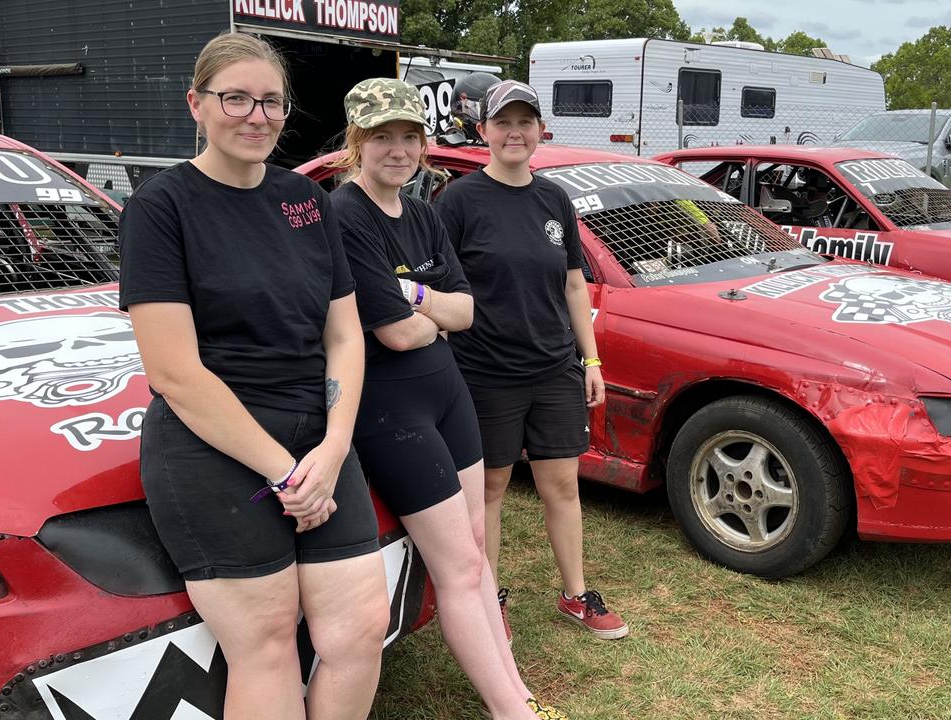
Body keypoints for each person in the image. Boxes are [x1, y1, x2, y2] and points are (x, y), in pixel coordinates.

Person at [118, 33, 390, 720]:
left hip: (316, 445)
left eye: (270, 100)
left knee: (358, 631)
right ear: (197, 105)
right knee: (266, 644)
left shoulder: (304, 200)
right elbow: (175, 372)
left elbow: (344, 334)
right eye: (235, 97)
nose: (256, 115)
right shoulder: (162, 207)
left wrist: (330, 449)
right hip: (214, 450)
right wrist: (288, 473)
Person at [329, 77, 566, 720]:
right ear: (357, 143)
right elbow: (398, 334)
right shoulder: (347, 214)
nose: (398, 150)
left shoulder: (423, 209)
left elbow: (466, 311)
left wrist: (416, 296)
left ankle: (516, 689)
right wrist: (429, 303)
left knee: (477, 548)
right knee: (459, 563)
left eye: (410, 135)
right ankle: (507, 709)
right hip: (391, 405)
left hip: (446, 391)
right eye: (382, 137)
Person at [435, 80, 629, 641]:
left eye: (526, 122)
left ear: (540, 131)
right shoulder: (458, 202)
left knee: (562, 485)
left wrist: (590, 362)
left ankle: (575, 595)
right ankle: (487, 599)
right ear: (484, 132)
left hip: (554, 370)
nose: (515, 132)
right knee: (491, 488)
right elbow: (442, 288)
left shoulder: (554, 199)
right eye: (503, 122)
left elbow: (573, 284)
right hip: (485, 371)